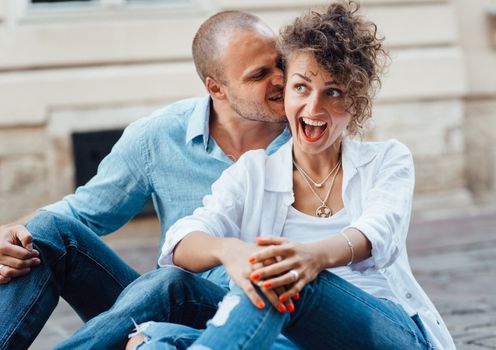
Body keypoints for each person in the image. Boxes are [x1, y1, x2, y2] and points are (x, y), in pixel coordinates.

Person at [126, 1, 456, 349]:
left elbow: (378, 231)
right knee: (151, 340)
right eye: (301, 88)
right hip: (293, 339)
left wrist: (312, 258)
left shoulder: (387, 159)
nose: (313, 107)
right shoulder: (253, 172)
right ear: (285, 92)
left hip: (386, 332)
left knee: (282, 272)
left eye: (333, 92)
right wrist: (230, 250)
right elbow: (182, 240)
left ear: (355, 102)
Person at [0, 10, 291, 350]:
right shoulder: (159, 136)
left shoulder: (306, 137)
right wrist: (6, 238)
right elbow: (80, 213)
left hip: (250, 314)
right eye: (259, 74)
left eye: (280, 64)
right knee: (47, 232)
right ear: (216, 88)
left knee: (170, 282)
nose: (281, 80)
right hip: (155, 309)